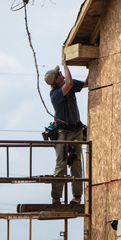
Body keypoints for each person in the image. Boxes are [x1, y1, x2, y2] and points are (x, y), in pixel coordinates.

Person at [44, 51, 88, 205]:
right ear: (56, 80)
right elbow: (69, 84)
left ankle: (77, 197)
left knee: (76, 164)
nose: (62, 74)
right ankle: (56, 197)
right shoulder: (55, 94)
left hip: (76, 131)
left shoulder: (66, 85)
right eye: (60, 74)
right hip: (63, 132)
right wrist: (65, 63)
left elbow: (85, 83)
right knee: (61, 165)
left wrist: (91, 66)